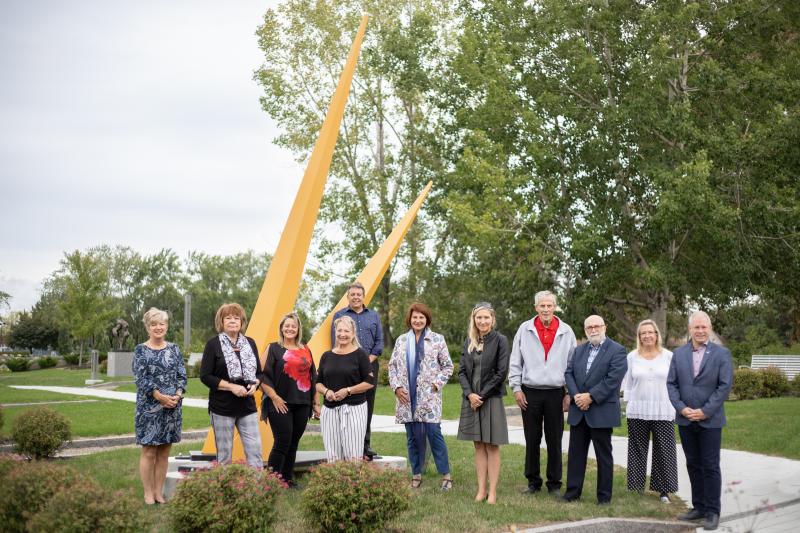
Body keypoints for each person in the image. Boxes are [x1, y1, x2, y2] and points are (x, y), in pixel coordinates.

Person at [667, 311, 733, 531]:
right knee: (693, 464)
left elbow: (724, 386)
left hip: (710, 420)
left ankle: (713, 512)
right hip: (686, 420)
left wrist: (705, 411)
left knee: (710, 466)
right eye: (697, 327)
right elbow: (671, 384)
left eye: (704, 327)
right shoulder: (678, 354)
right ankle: (699, 507)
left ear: (710, 328)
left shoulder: (722, 354)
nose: (701, 331)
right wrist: (682, 408)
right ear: (690, 329)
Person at [508, 290, 577, 495]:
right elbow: (515, 360)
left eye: (549, 305)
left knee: (554, 439)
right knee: (532, 438)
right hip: (530, 392)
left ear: (555, 307)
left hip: (557, 392)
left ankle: (554, 483)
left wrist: (569, 393)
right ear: (536, 307)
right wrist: (516, 388)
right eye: (542, 306)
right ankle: (533, 482)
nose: (546, 309)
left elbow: (573, 364)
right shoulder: (525, 329)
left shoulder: (566, 331)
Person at [389, 303, 454, 491]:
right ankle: (416, 474)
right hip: (406, 397)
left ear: (427, 320)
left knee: (434, 435)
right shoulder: (401, 340)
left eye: (421, 317)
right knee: (411, 438)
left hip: (429, 398)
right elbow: (392, 366)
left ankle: (446, 475)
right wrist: (396, 387)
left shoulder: (437, 339)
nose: (417, 320)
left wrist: (436, 384)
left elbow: (448, 366)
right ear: (410, 319)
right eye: (414, 317)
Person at [563, 315, 627, 504]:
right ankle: (572, 493)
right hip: (579, 412)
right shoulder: (578, 350)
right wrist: (576, 396)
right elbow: (569, 373)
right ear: (585, 330)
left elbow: (612, 379)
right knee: (575, 455)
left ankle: (604, 497)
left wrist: (590, 397)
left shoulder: (617, 350)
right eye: (589, 327)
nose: (593, 330)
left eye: (596, 326)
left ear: (604, 327)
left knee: (603, 456)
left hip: (601, 410)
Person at [457, 302, 510, 504]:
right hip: (471, 399)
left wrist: (482, 396)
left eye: (486, 317)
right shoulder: (469, 341)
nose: (482, 321)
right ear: (474, 319)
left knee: (492, 445)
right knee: (478, 445)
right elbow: (461, 371)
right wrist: (470, 394)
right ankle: (481, 490)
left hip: (491, 398)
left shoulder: (500, 340)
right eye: (479, 317)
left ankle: (493, 492)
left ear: (492, 319)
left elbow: (501, 372)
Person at [133, 307, 187, 505]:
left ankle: (158, 492)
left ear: (167, 326)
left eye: (161, 323)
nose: (158, 327)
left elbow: (182, 376)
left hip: (172, 408)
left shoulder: (174, 349)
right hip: (149, 408)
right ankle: (148, 493)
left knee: (164, 451)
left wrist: (177, 396)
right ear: (148, 327)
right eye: (154, 324)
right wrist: (160, 396)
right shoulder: (140, 350)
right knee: (149, 451)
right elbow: (141, 379)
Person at [260, 312, 320, 486]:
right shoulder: (273, 348)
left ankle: (287, 479)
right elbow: (261, 376)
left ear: (298, 329)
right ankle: (271, 482)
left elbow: (313, 377)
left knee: (293, 442)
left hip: (302, 403)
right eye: (287, 325)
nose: (290, 328)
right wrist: (274, 397)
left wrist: (316, 403)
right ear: (281, 328)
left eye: (293, 326)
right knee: (282, 441)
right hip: (279, 403)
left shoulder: (306, 349)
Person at [621, 319, 678, 503]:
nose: (647, 336)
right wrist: (629, 405)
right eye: (643, 333)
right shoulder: (632, 357)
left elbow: (675, 383)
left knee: (664, 450)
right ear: (639, 337)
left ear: (656, 335)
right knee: (637, 449)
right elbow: (628, 384)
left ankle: (664, 491)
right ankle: (636, 489)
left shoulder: (669, 356)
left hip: (663, 409)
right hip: (638, 410)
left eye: (650, 332)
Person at [200, 303, 263, 468]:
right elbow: (205, 376)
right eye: (228, 318)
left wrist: (255, 384)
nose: (233, 321)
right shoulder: (213, 344)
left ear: (242, 322)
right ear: (221, 322)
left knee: (255, 452)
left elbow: (259, 374)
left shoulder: (250, 343)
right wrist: (232, 387)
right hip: (222, 408)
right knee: (225, 456)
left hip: (247, 407)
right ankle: (226, 492)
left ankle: (257, 492)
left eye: (236, 318)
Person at [331, 282, 383, 459]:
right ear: (348, 296)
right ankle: (346, 445)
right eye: (352, 294)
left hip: (370, 365)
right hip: (346, 366)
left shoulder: (374, 316)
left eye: (358, 294)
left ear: (363, 296)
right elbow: (336, 342)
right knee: (347, 403)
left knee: (367, 405)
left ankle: (364, 447)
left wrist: (366, 362)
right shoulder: (339, 316)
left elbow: (379, 343)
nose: (355, 297)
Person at [316, 315, 374, 461]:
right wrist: (326, 391)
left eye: (347, 331)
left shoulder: (360, 354)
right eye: (339, 330)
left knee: (353, 453)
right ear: (335, 332)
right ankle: (335, 483)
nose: (342, 334)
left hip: (354, 409)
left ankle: (353, 483)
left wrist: (347, 391)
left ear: (353, 334)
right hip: (329, 410)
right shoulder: (326, 356)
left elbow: (369, 382)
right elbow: (318, 383)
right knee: (332, 453)